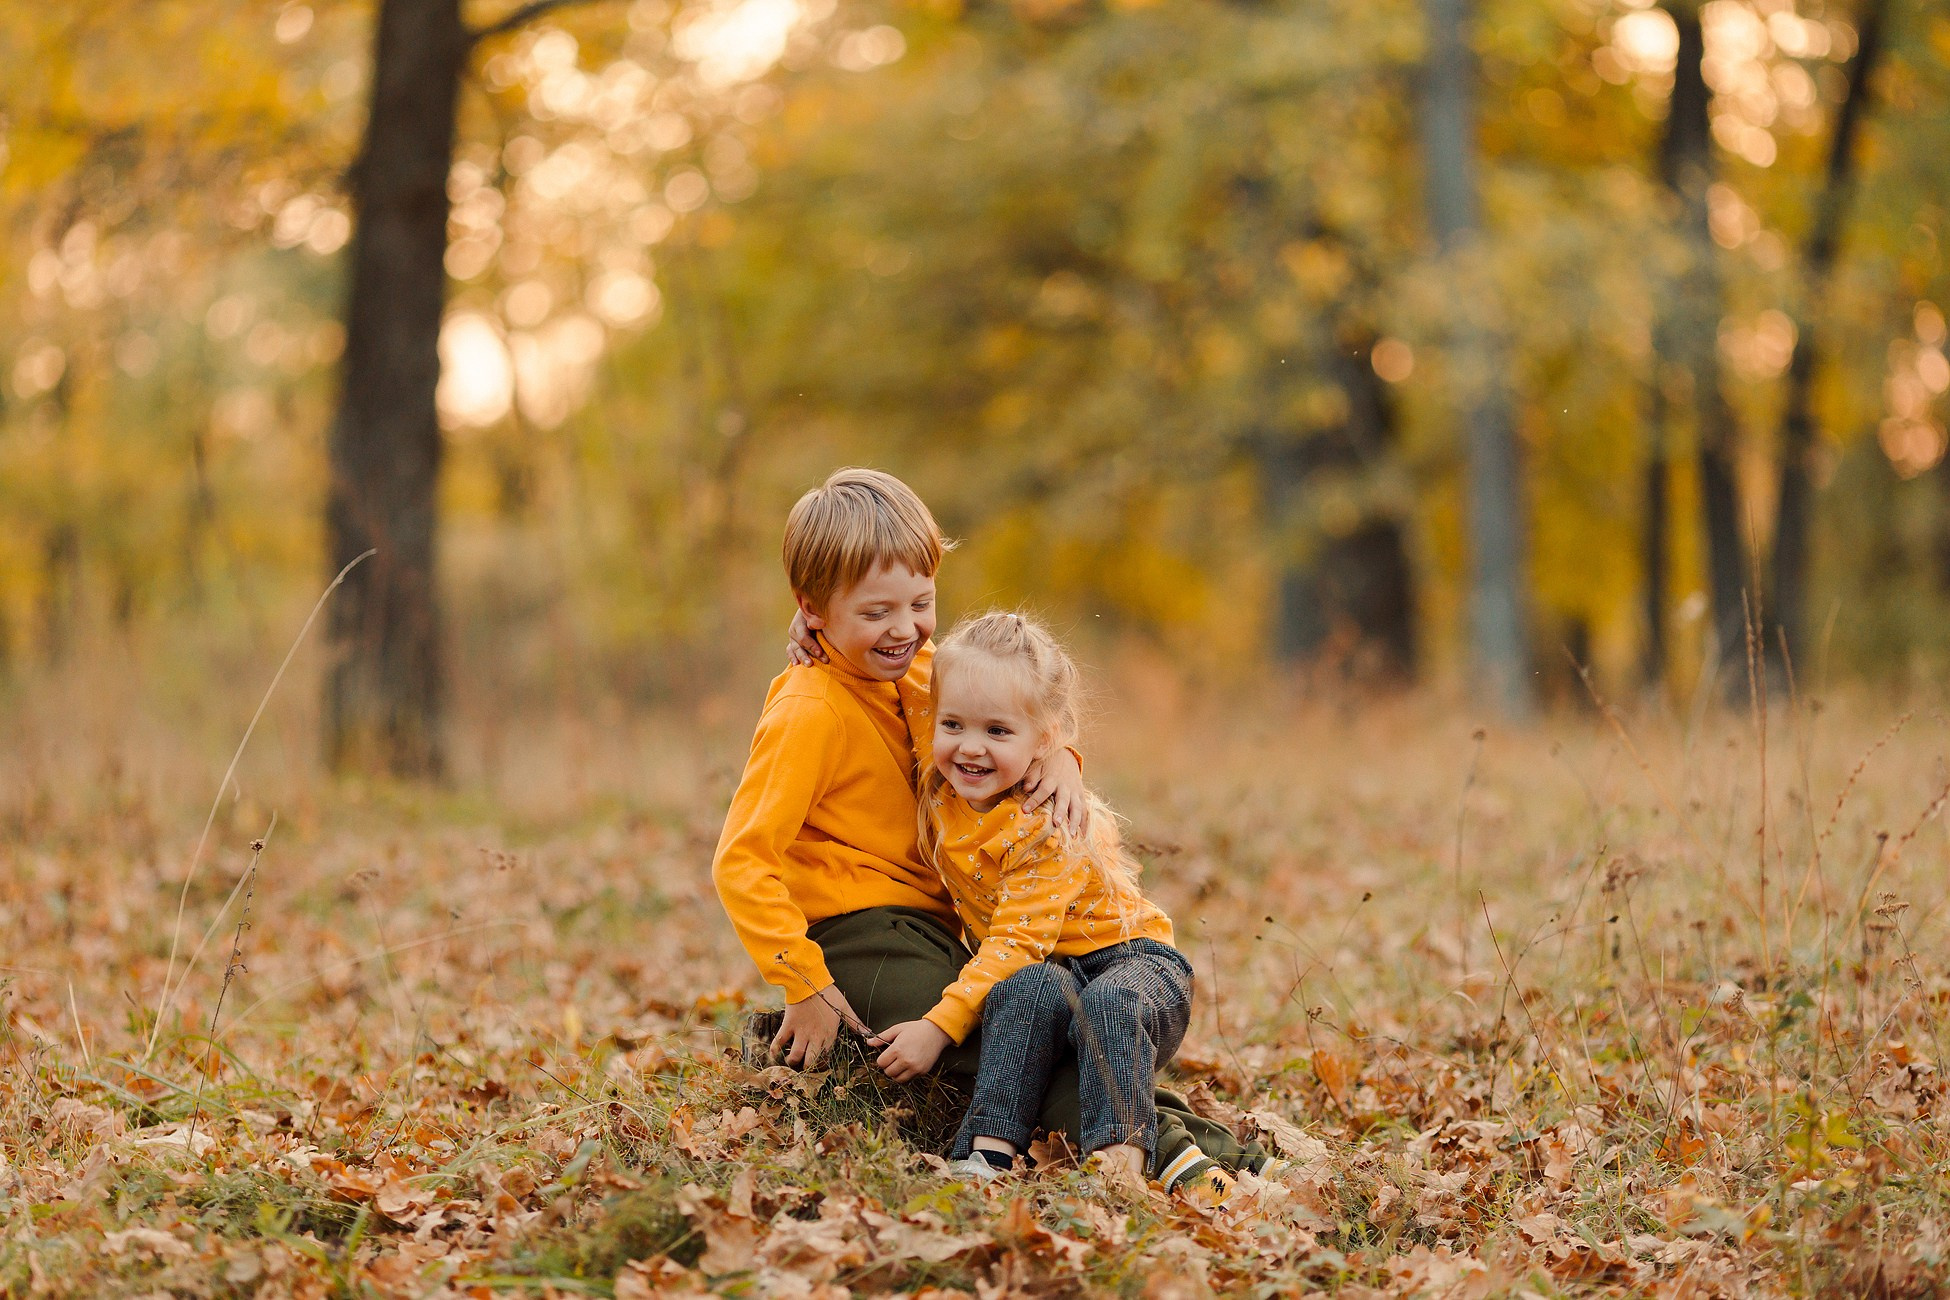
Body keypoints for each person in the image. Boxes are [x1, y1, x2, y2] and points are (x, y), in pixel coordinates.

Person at [712, 467, 1260, 1202]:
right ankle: (1189, 1158)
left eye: (920, 603)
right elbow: (743, 861)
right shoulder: (809, 710)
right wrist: (805, 984)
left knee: (1040, 1017)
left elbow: (1013, 705)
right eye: (876, 612)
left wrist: (1063, 759)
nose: (904, 628)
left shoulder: (918, 670)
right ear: (812, 611)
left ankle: (1196, 1151)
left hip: (943, 922)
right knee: (983, 1042)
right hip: (856, 929)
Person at [867, 610, 1232, 1202]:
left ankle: (1119, 1166)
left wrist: (938, 1026)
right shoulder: (939, 784)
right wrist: (817, 635)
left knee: (1106, 1003)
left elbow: (1014, 942)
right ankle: (988, 1155)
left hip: (1134, 966)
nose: (970, 747)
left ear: (1044, 739)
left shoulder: (1048, 822)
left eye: (998, 732)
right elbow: (889, 679)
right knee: (1020, 991)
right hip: (1051, 972)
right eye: (953, 724)